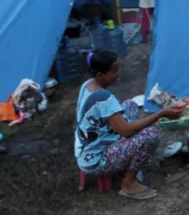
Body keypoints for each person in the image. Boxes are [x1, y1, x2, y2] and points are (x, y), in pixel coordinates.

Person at [74, 50, 182, 199]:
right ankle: (128, 183)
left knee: (129, 104)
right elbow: (125, 131)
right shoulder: (103, 97)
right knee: (150, 135)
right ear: (100, 75)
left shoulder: (88, 85)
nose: (117, 74)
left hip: (88, 145)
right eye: (114, 71)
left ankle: (127, 160)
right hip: (95, 159)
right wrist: (161, 114)